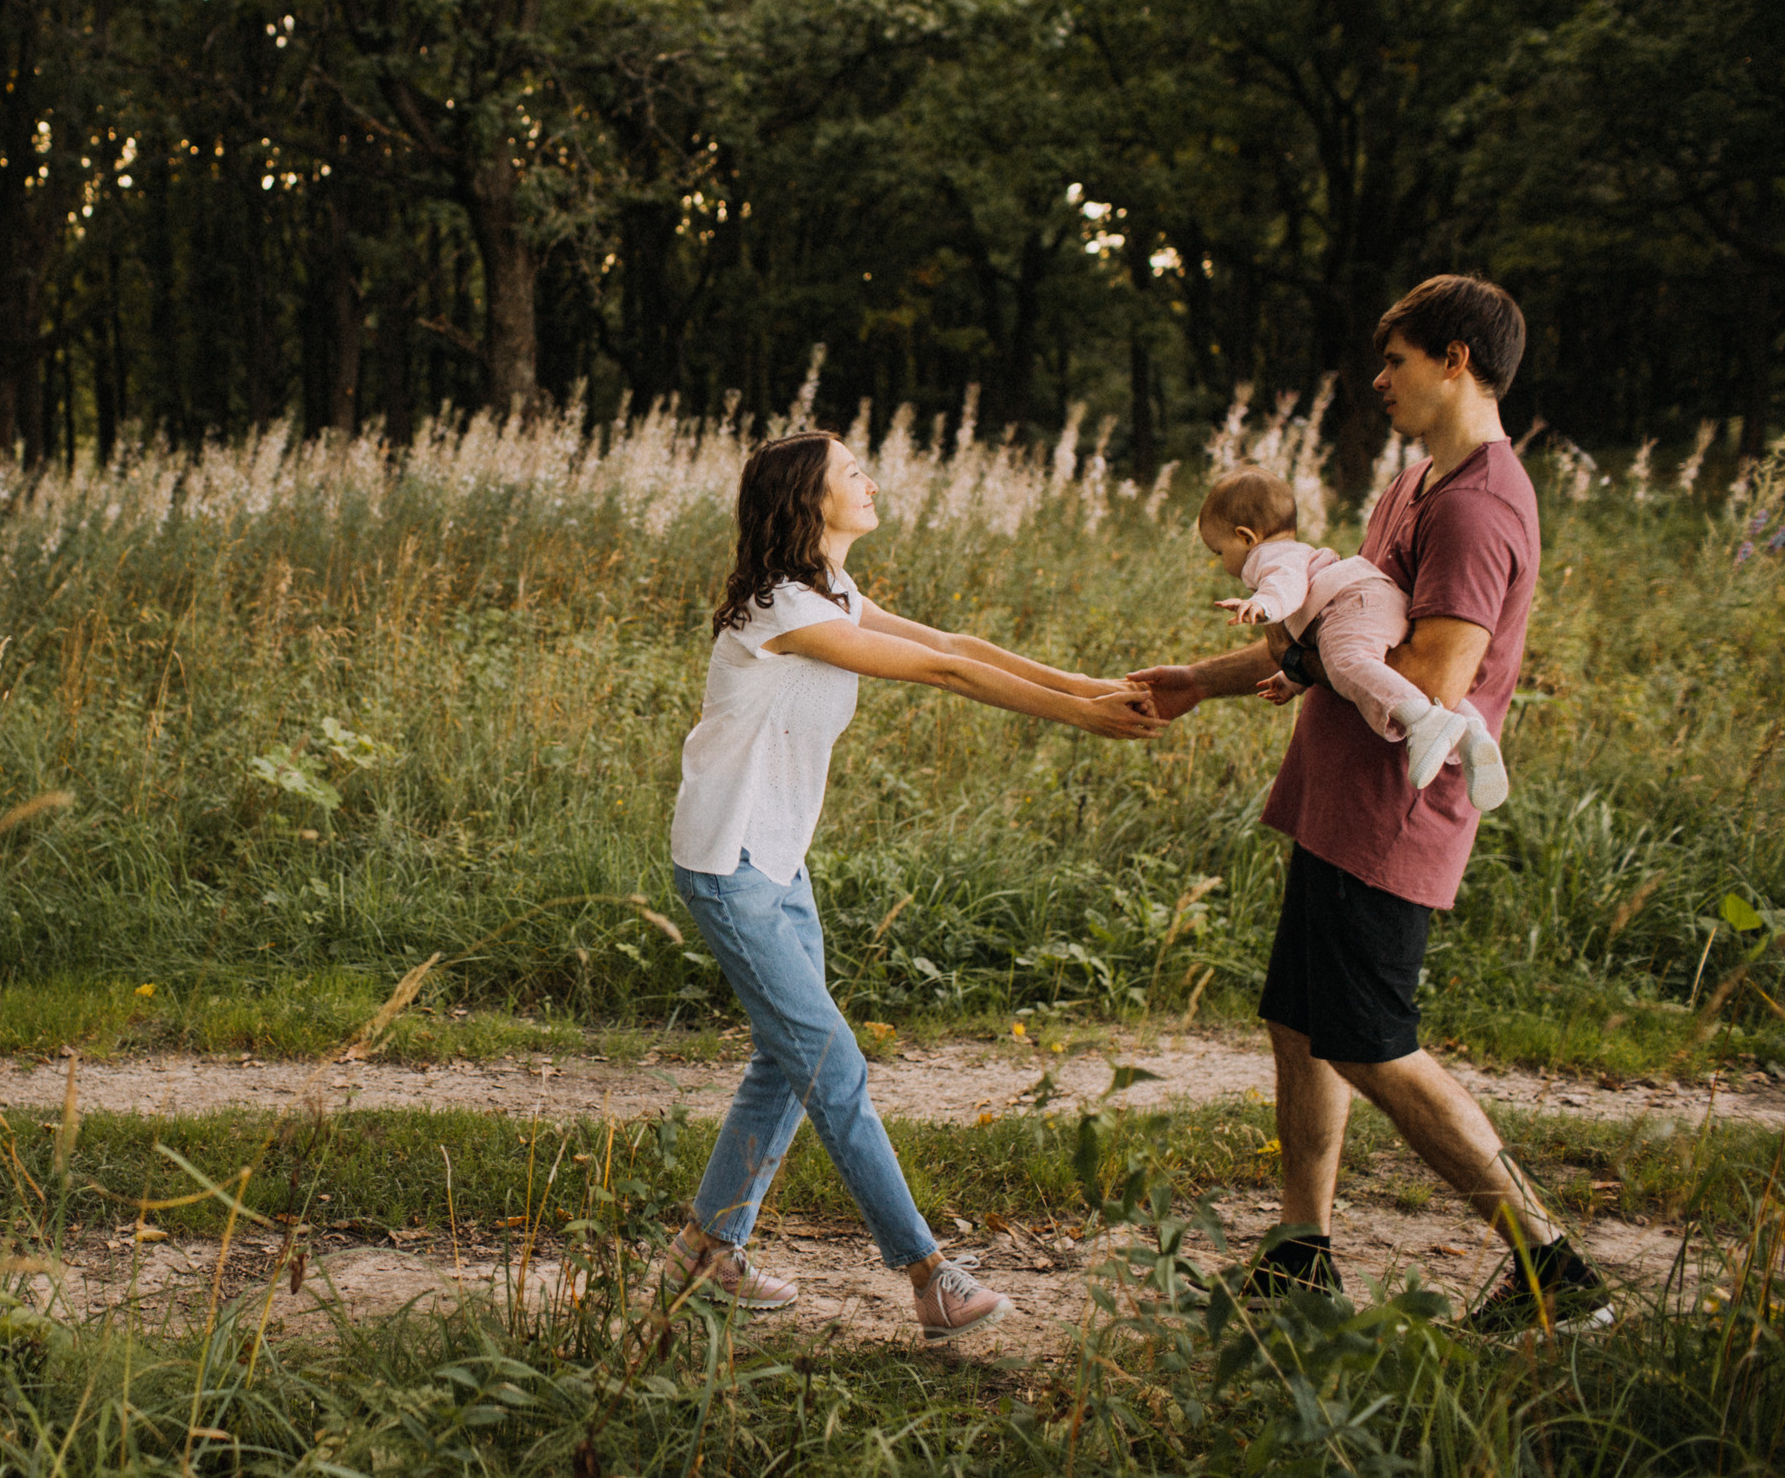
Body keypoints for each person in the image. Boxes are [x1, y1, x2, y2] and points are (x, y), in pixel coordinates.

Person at [1130, 274, 1610, 1333]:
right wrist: (1198, 682)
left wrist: (1293, 649)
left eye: (1395, 359)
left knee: (1368, 1038)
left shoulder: (1480, 507)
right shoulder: (1412, 480)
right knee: (1300, 1022)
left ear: (1455, 361)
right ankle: (1301, 1255)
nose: (1378, 378)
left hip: (1396, 810)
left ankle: (1553, 1268)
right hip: (1335, 794)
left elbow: (1431, 680)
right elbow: (1338, 622)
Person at [665, 430, 1165, 1341]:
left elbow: (951, 639)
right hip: (730, 863)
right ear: (808, 500)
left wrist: (1096, 686)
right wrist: (1083, 719)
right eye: (852, 470)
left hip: (777, 858)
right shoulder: (779, 607)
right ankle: (930, 1273)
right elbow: (943, 670)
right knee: (832, 1068)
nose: (870, 478)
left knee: (786, 1061)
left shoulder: (830, 591)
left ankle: (707, 1251)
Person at [1196, 464, 1508, 809]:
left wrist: (1262, 606)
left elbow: (1286, 584)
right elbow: (1311, 642)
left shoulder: (1265, 558)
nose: (1223, 562)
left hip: (1348, 603)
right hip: (1376, 599)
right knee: (1381, 671)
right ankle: (1473, 733)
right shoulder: (1296, 550)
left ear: (1245, 537)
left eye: (1219, 551)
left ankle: (1423, 721)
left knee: (1347, 662)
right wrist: (1292, 678)